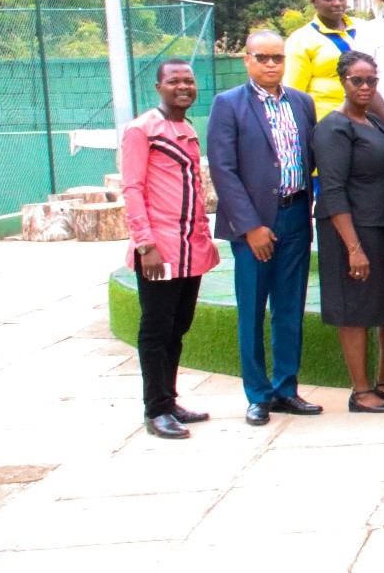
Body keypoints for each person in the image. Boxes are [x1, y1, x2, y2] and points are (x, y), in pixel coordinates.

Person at [207, 31, 321, 428]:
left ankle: (286, 389)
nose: (271, 64)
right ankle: (257, 395)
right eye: (263, 57)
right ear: (247, 60)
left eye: (277, 57)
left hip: (294, 217)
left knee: (290, 308)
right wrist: (251, 226)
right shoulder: (229, 105)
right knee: (253, 310)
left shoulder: (302, 103)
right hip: (254, 224)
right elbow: (223, 169)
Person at [122, 60, 222, 439]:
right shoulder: (142, 130)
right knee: (156, 328)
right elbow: (132, 188)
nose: (183, 87)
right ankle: (156, 409)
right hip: (159, 250)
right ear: (158, 86)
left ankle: (170, 398)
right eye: (174, 81)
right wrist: (145, 243)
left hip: (189, 249)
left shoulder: (187, 128)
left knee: (178, 326)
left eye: (189, 81)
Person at [312, 52, 384, 413]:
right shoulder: (333, 127)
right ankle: (360, 390)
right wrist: (353, 248)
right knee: (354, 309)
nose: (366, 87)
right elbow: (334, 189)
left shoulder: (375, 121)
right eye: (358, 80)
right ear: (343, 82)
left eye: (372, 80)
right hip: (351, 230)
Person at [286, 0, 381, 124]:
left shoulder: (365, 28)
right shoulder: (300, 40)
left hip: (369, 119)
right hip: (327, 123)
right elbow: (293, 93)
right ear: (313, 0)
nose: (337, 3)